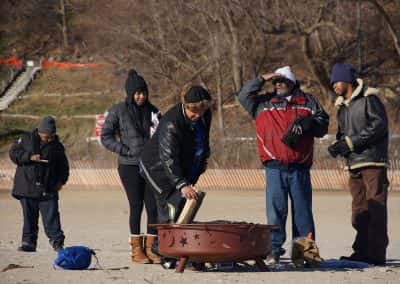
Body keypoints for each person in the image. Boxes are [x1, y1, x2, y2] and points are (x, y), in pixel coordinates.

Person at [237, 66, 329, 264]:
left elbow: (323, 123)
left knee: (303, 212)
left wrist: (309, 123)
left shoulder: (308, 101)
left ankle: (303, 252)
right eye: (276, 81)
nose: (278, 84)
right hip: (274, 167)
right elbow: (243, 94)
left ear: (292, 82)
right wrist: (263, 77)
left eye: (283, 80)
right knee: (276, 212)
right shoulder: (262, 103)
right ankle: (273, 250)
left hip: (300, 168)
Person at [328, 63, 389, 265]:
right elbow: (344, 133)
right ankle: (361, 250)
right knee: (359, 211)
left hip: (372, 162)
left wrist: (351, 142)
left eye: (337, 81)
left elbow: (378, 126)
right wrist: (338, 145)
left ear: (347, 80)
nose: (334, 85)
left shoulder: (369, 99)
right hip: (353, 164)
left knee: (375, 208)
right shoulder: (342, 107)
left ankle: (376, 254)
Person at [101, 69, 161, 264]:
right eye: (137, 93)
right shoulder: (118, 110)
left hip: (150, 166)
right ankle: (137, 251)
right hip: (129, 165)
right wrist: (125, 150)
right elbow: (105, 136)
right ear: (129, 93)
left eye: (143, 92)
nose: (141, 96)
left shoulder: (154, 111)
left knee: (153, 207)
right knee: (136, 206)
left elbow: (162, 136)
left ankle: (152, 248)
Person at [139, 84, 212, 225]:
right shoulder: (171, 122)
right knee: (170, 205)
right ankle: (161, 243)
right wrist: (181, 183)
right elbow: (168, 156)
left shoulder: (204, 114)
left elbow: (203, 140)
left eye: (201, 112)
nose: (198, 116)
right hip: (156, 167)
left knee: (183, 204)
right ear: (185, 106)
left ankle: (174, 240)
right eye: (194, 113)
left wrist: (202, 160)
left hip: (179, 165)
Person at [9, 116, 69, 252]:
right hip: (26, 186)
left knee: (52, 217)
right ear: (39, 132)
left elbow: (64, 166)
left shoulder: (57, 146)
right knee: (29, 217)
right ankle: (28, 243)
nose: (48, 139)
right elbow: (13, 153)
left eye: (51, 137)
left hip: (49, 188)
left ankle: (57, 243)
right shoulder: (25, 139)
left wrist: (61, 181)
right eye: (46, 136)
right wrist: (29, 157)